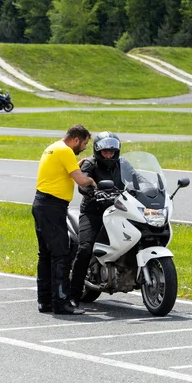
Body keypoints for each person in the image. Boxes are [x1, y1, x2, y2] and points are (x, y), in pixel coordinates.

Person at [32, 124, 96, 315]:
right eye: (84, 143)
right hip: (52, 207)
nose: (84, 147)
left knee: (45, 255)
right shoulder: (66, 151)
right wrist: (93, 182)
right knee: (61, 254)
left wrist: (76, 166)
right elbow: (81, 181)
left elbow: (61, 173)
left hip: (41, 204)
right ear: (76, 139)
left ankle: (45, 301)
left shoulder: (53, 148)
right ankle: (61, 302)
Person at [69, 131, 124, 307]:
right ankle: (73, 294)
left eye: (112, 152)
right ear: (98, 151)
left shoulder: (122, 165)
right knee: (85, 248)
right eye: (105, 152)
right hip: (93, 212)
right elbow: (83, 182)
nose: (109, 155)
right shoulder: (90, 164)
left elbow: (136, 180)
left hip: (117, 211)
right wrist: (90, 190)